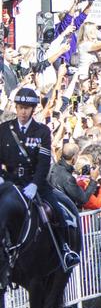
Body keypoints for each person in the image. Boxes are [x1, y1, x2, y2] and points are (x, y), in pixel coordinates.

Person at [0, 87, 80, 269]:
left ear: (33, 109)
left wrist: (35, 184)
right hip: (10, 182)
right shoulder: (4, 129)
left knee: (56, 210)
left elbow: (43, 162)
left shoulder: (41, 131)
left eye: (26, 108)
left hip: (33, 181)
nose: (22, 111)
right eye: (20, 107)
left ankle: (65, 248)